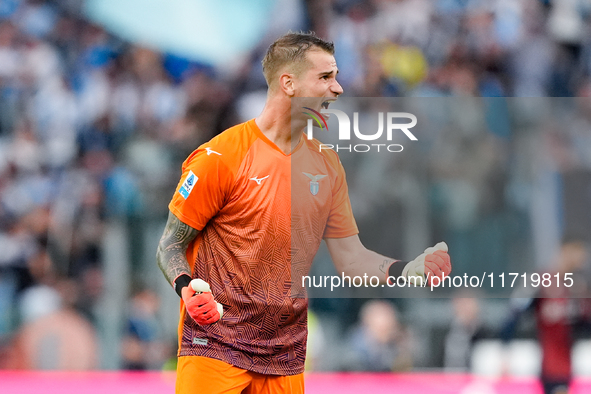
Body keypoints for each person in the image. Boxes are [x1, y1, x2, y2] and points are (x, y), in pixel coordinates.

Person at [156, 31, 452, 394]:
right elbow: (170, 244)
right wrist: (186, 286)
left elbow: (351, 259)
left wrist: (405, 269)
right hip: (216, 348)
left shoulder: (326, 165)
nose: (338, 89)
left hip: (284, 357)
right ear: (289, 84)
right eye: (325, 77)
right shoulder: (221, 157)